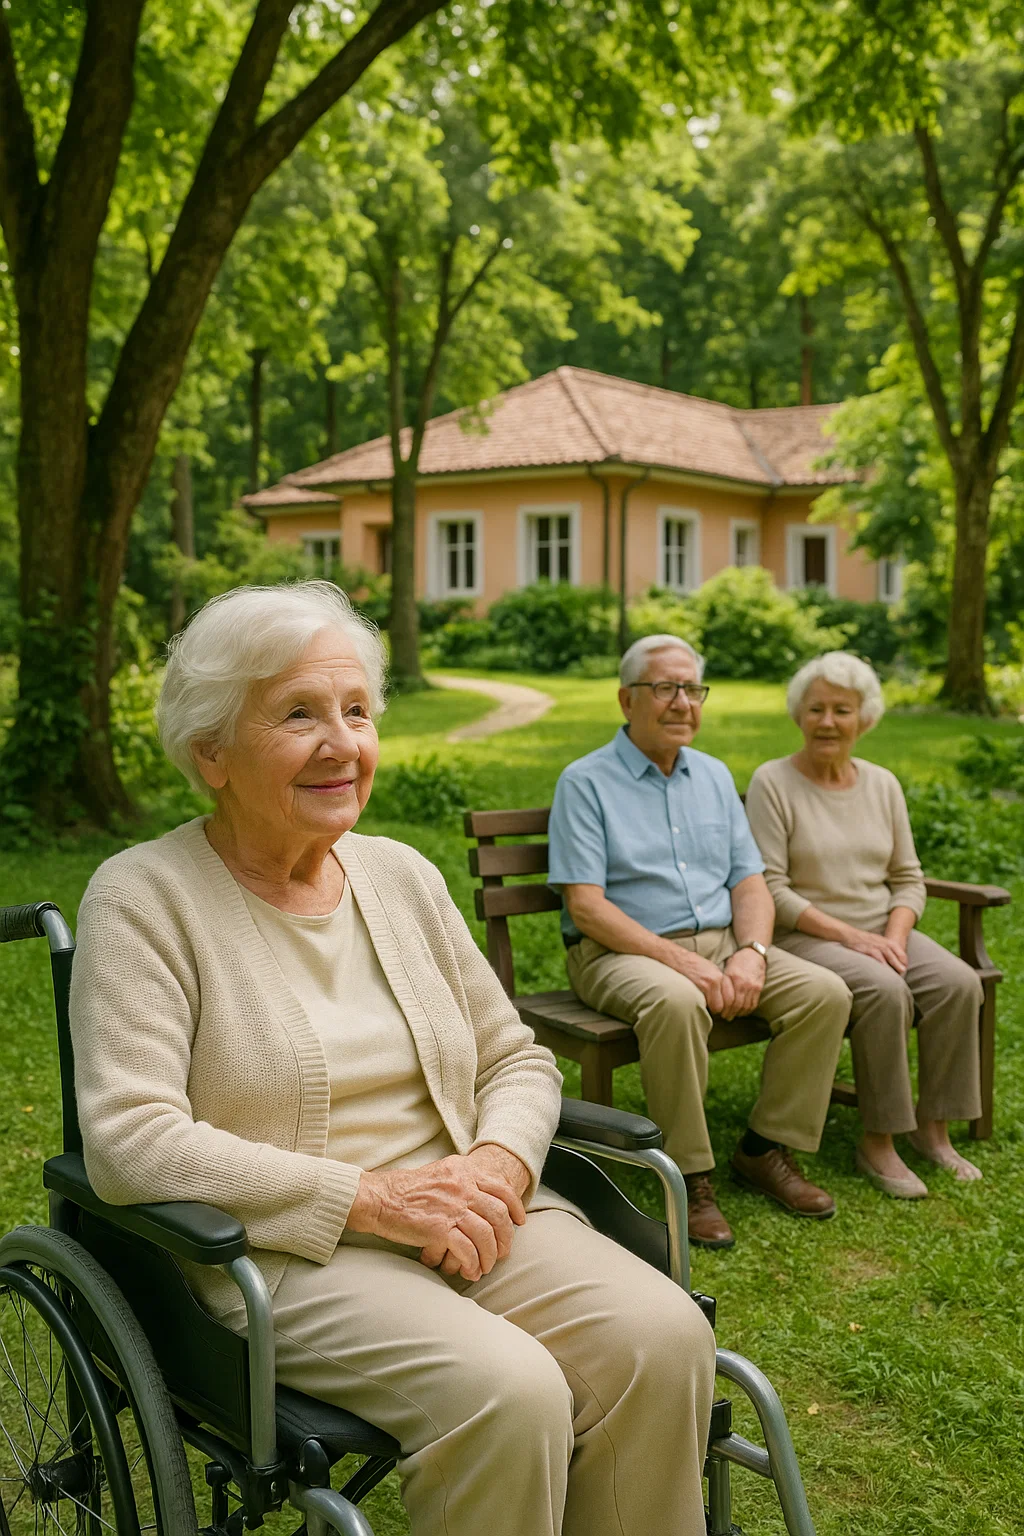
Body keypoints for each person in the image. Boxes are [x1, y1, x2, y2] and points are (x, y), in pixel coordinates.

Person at [69, 582, 716, 1536]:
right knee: (510, 1393)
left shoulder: (400, 874)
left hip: (474, 1213)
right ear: (210, 750)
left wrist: (496, 1170)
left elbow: (516, 1062)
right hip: (291, 1253)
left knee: (666, 1339)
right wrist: (377, 1201)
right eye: (298, 714)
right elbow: (130, 1139)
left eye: (357, 710)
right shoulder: (142, 899)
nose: (343, 744)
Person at [548, 633, 852, 1251]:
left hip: (718, 943)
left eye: (692, 688)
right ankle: (690, 1176)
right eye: (665, 687)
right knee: (677, 1001)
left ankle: (766, 1149)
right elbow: (587, 905)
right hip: (618, 953)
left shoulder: (712, 775)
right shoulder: (585, 782)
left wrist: (751, 952)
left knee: (824, 993)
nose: (682, 702)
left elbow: (750, 880)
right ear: (626, 699)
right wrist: (686, 963)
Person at [745, 651, 983, 1198]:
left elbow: (908, 877)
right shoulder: (772, 783)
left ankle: (933, 1131)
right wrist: (854, 938)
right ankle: (878, 1139)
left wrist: (894, 936)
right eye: (816, 709)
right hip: (805, 934)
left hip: (881, 929)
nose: (828, 721)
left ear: (865, 718)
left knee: (957, 983)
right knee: (883, 989)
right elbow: (771, 889)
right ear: (798, 716)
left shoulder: (882, 784)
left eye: (842, 710)